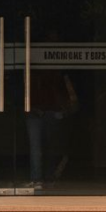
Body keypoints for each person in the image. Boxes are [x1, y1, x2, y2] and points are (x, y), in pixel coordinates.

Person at [26, 31, 78, 189]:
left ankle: (47, 178)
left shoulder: (58, 67)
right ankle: (38, 179)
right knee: (38, 148)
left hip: (50, 110)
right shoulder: (35, 66)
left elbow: (65, 90)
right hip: (36, 110)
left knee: (48, 147)